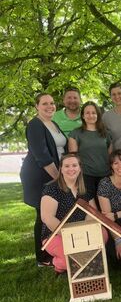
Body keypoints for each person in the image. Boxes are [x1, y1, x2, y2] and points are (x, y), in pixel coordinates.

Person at [41, 153, 108, 274]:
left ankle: (87, 258)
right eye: (66, 166)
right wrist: (71, 236)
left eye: (74, 165)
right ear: (61, 169)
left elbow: (92, 212)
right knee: (73, 262)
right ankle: (57, 264)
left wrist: (85, 233)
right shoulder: (52, 188)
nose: (71, 169)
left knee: (102, 232)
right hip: (56, 234)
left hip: (81, 232)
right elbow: (47, 218)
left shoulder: (84, 188)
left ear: (80, 168)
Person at [20, 93, 67, 266]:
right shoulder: (35, 125)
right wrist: (58, 179)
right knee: (43, 215)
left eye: (52, 103)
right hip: (40, 176)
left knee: (51, 214)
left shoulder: (53, 124)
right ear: (36, 107)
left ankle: (51, 249)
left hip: (55, 174)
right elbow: (42, 156)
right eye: (45, 103)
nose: (50, 106)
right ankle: (42, 257)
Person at [68, 101, 112, 199]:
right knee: (89, 208)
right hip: (85, 176)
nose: (90, 115)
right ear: (83, 116)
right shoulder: (75, 134)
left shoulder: (106, 134)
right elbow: (73, 159)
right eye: (87, 113)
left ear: (98, 115)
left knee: (103, 208)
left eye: (93, 112)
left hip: (105, 176)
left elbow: (110, 156)